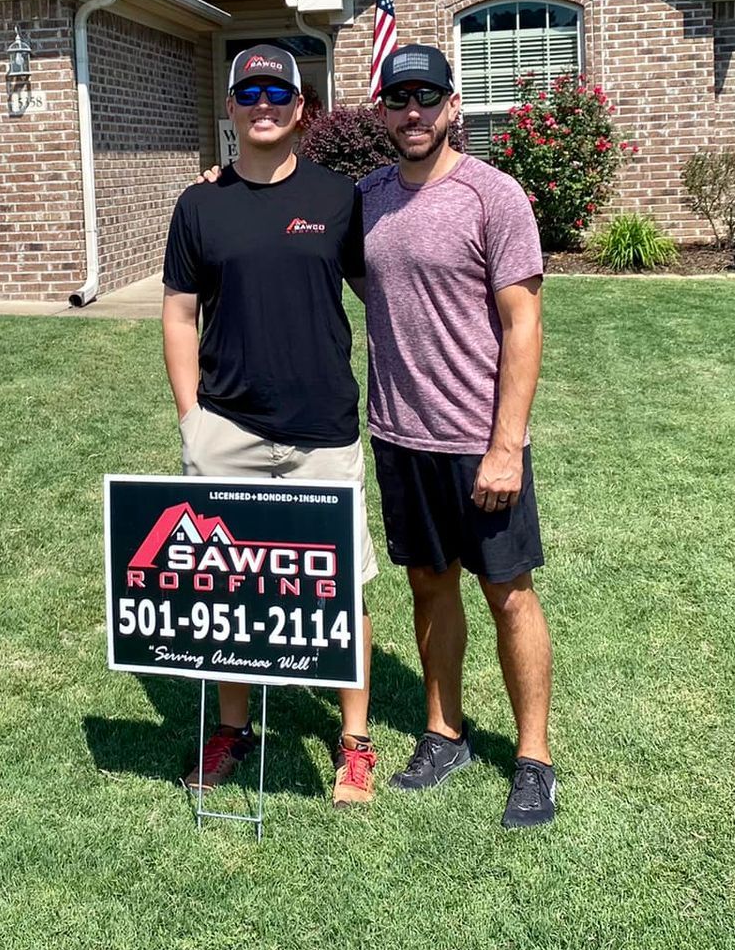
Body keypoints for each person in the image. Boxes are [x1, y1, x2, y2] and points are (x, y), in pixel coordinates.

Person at [160, 45, 380, 806]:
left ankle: (354, 742)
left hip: (323, 429)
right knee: (227, 587)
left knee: (340, 589)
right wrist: (192, 416)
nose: (263, 104)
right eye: (248, 91)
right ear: (230, 106)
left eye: (277, 92)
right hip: (228, 430)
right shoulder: (199, 206)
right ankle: (232, 728)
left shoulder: (340, 198)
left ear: (300, 107)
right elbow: (180, 314)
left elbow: (379, 292)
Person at [358, 43, 557, 828]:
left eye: (426, 97)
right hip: (400, 436)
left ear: (452, 107)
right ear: (385, 110)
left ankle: (535, 758)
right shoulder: (367, 199)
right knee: (428, 583)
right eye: (398, 98)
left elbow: (524, 322)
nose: (412, 111)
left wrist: (507, 444)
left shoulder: (492, 197)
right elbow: (294, 232)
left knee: (508, 593)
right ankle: (445, 733)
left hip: (480, 438)